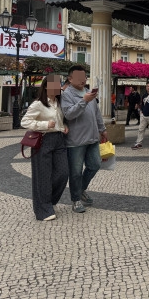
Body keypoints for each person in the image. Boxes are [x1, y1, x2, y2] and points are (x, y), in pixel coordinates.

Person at [20, 75, 69, 221]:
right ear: (46, 86)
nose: (58, 87)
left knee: (63, 173)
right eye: (55, 84)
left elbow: (60, 120)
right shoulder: (38, 104)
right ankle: (43, 210)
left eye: (59, 84)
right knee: (43, 176)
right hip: (43, 139)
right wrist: (44, 124)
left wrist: (63, 126)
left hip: (59, 140)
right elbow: (24, 122)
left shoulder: (58, 102)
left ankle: (49, 201)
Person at [61, 65, 107, 214]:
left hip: (92, 138)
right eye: (79, 77)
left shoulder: (88, 92)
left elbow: (96, 113)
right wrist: (84, 101)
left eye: (85, 77)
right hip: (76, 141)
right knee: (75, 172)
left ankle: (80, 190)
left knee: (95, 165)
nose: (83, 80)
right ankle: (76, 200)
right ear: (70, 78)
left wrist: (102, 129)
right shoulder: (66, 95)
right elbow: (68, 114)